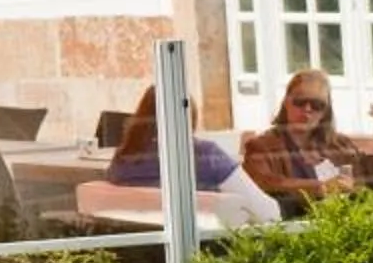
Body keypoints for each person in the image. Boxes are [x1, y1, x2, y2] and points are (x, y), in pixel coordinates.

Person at [105, 85, 278, 227]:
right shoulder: (206, 156)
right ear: (189, 119)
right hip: (206, 256)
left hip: (140, 257)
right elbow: (267, 213)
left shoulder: (122, 162)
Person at [241, 68, 373, 215]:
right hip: (294, 232)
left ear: (325, 111)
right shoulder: (262, 146)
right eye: (299, 101)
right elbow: (264, 182)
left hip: (344, 228)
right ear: (286, 103)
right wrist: (321, 187)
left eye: (317, 104)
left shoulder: (339, 145)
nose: (307, 109)